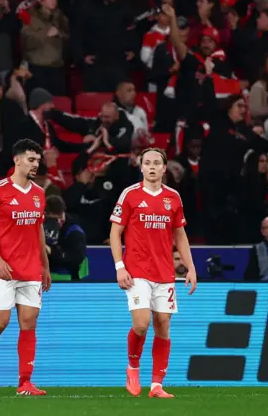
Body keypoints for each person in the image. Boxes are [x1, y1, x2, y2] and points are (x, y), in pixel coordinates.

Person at [109, 147, 198, 398]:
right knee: (141, 323)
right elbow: (115, 232)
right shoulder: (130, 195)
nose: (151, 167)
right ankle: (133, 367)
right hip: (137, 271)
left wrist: (190, 267)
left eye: (156, 163)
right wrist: (119, 267)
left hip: (165, 272)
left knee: (163, 326)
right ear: (141, 167)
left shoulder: (173, 198)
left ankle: (157, 385)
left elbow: (179, 234)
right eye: (147, 162)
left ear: (164, 167)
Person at [0, 139, 52, 397]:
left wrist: (45, 266)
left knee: (29, 323)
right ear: (16, 160)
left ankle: (25, 383)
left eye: (38, 160)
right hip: (2, 269)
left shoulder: (39, 193)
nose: (35, 164)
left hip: (30, 269)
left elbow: (38, 229)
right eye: (30, 159)